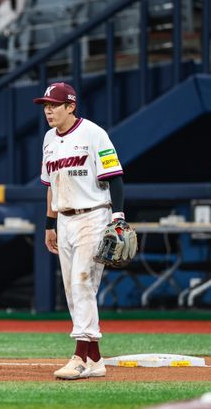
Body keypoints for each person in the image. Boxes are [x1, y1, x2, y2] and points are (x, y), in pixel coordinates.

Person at [35, 82, 125, 380]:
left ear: (70, 106)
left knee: (82, 282)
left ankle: (80, 357)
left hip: (93, 215)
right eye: (46, 106)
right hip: (64, 218)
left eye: (54, 105)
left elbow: (115, 177)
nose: (48, 110)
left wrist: (118, 217)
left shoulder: (94, 133)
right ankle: (95, 359)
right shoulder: (49, 139)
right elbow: (51, 185)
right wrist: (49, 224)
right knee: (72, 291)